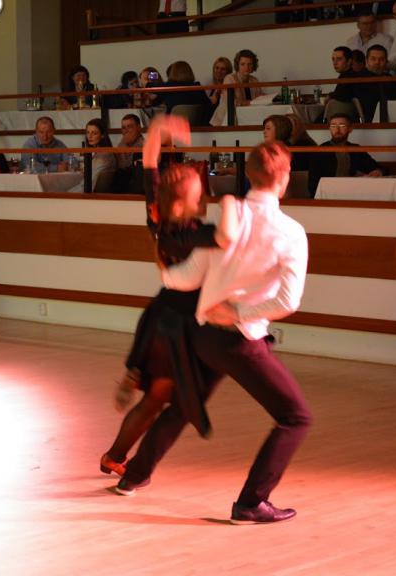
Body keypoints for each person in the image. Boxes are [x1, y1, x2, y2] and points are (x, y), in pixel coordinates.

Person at [116, 141, 313, 527]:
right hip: (239, 339)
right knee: (296, 417)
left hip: (204, 335)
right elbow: (288, 301)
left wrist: (164, 272)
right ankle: (251, 503)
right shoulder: (290, 232)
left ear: (249, 174)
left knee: (184, 405)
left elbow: (191, 276)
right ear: (285, 178)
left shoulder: (229, 216)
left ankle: (133, 476)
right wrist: (240, 313)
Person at [102, 114, 231, 478]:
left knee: (157, 398)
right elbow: (226, 238)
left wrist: (158, 129)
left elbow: (149, 168)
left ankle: (115, 453)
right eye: (198, 191)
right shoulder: (190, 233)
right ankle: (116, 456)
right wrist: (237, 208)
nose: (203, 194)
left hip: (162, 314)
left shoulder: (158, 218)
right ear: (183, 202)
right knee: (161, 398)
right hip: (178, 325)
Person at [308, 113, 384, 196]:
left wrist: (377, 171)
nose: (337, 129)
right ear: (329, 129)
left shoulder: (355, 149)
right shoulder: (321, 151)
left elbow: (375, 167)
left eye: (342, 125)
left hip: (352, 191)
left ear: (350, 129)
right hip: (328, 193)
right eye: (333, 126)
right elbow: (313, 183)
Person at [210, 49, 262, 125]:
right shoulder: (230, 78)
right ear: (237, 65)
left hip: (246, 119)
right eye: (243, 64)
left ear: (253, 65)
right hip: (224, 121)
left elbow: (258, 100)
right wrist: (249, 102)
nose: (246, 67)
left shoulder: (254, 80)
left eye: (250, 64)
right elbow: (230, 101)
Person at [353, 44, 396, 121]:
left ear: (386, 62)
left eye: (381, 59)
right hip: (369, 121)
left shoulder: (388, 78)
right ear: (366, 61)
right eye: (373, 59)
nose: (377, 62)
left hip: (393, 118)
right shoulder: (358, 79)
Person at [112, 114, 145, 194]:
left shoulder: (144, 146)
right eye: (123, 128)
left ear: (138, 128)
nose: (125, 131)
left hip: (133, 189)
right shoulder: (122, 143)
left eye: (129, 127)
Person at [84, 118, 117, 192]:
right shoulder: (97, 152)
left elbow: (90, 181)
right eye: (88, 132)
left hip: (93, 193)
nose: (90, 136)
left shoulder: (105, 155)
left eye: (94, 133)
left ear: (102, 135)